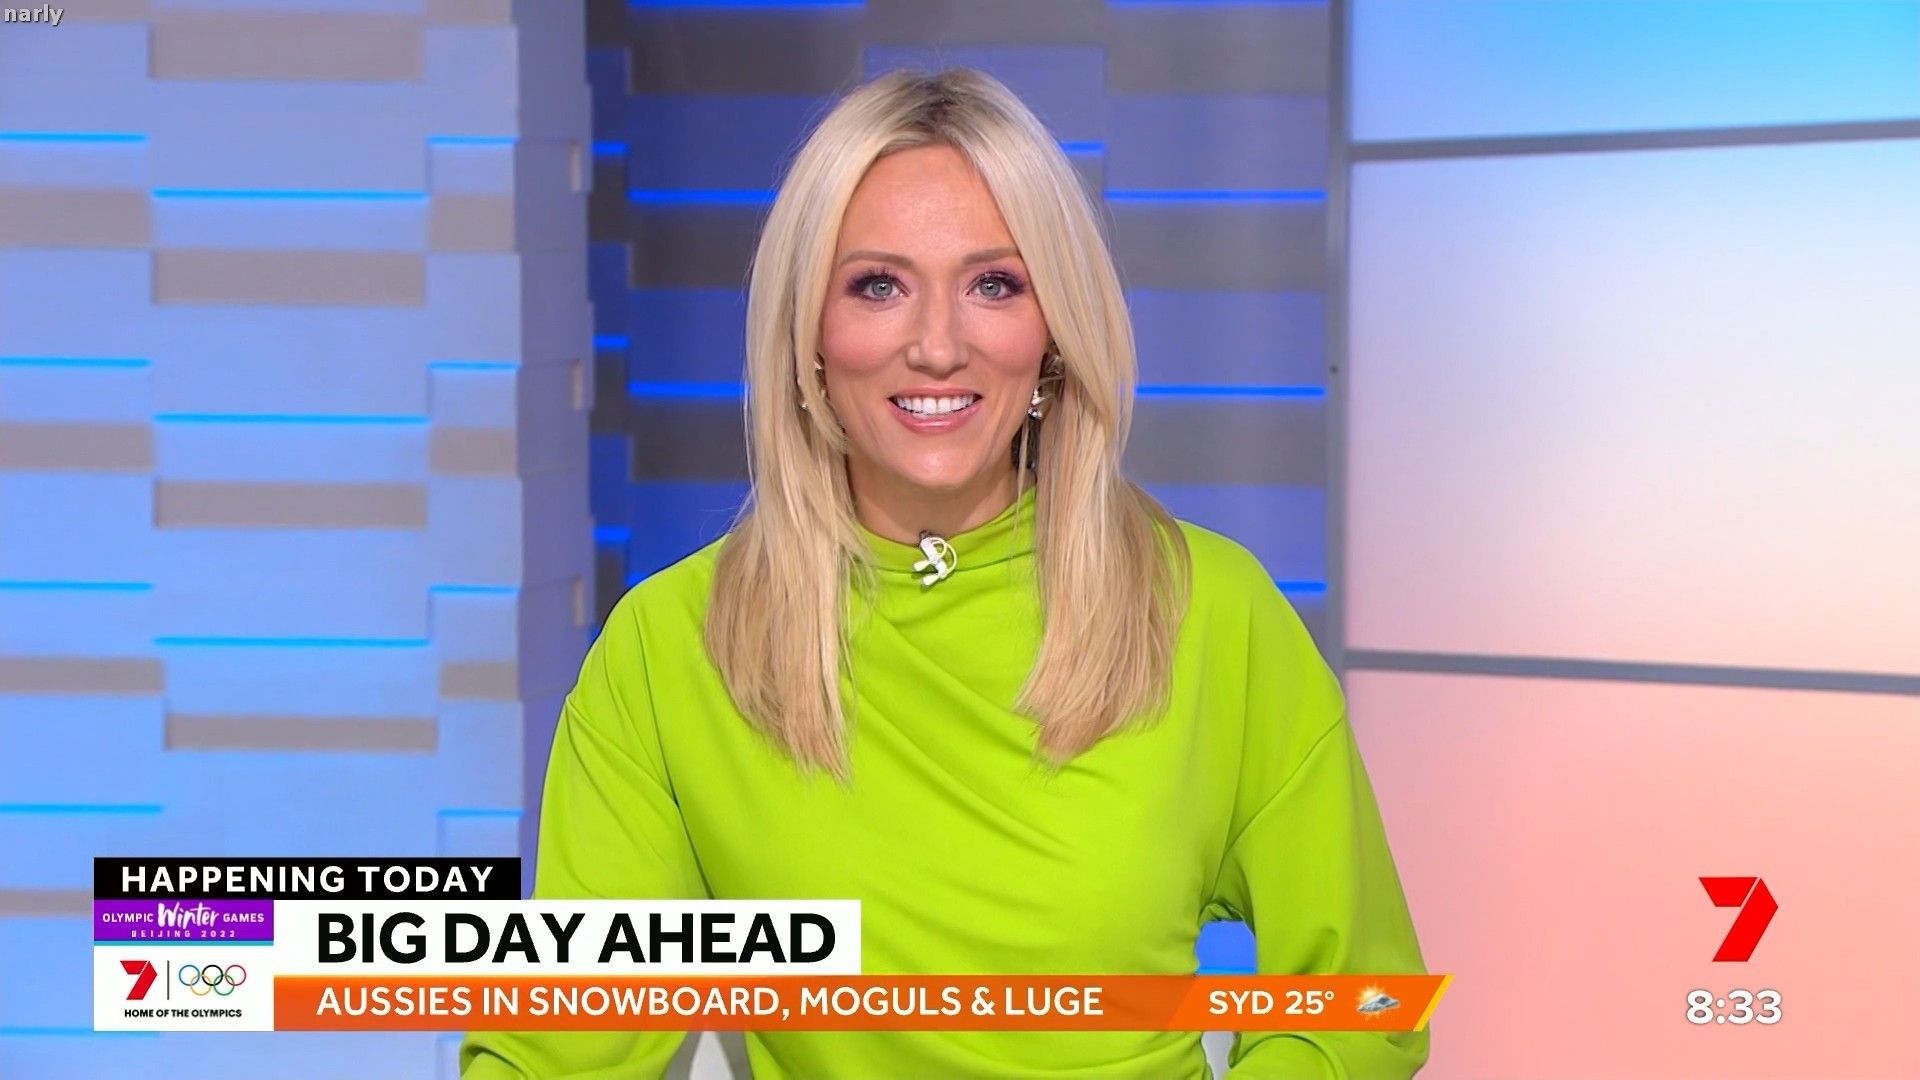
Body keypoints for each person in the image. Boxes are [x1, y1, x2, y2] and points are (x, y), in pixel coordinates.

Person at [461, 67, 1427, 1079]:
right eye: (878, 286)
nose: (936, 346)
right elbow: (553, 1048)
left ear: (1053, 333)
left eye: (993, 284)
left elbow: (1362, 1007)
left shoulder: (1210, 611)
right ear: (810, 334)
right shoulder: (670, 650)